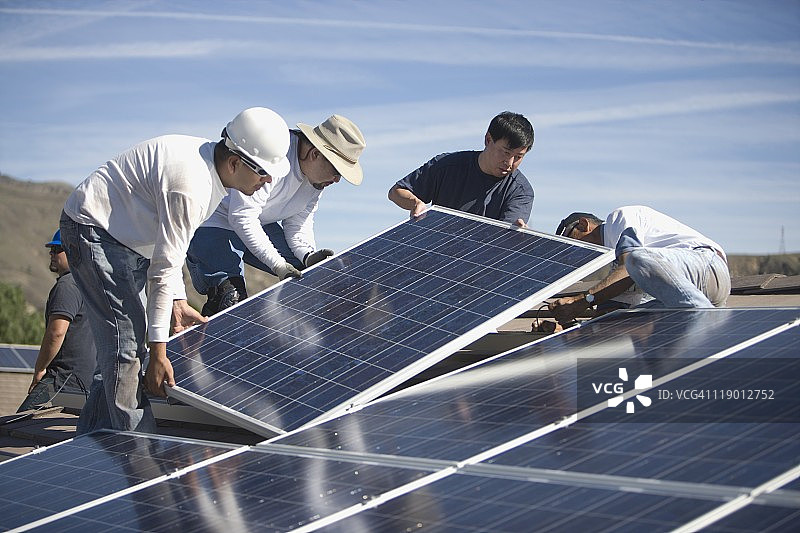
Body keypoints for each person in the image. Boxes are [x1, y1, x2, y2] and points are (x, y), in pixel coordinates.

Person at [59, 107, 291, 434]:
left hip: (130, 241)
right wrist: (158, 353)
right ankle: (141, 465)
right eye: (263, 172)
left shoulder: (212, 176)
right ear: (236, 162)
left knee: (123, 348)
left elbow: (171, 249)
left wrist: (178, 303)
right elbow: (164, 269)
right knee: (129, 352)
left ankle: (92, 444)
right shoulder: (191, 184)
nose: (267, 181)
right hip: (93, 231)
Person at [186, 114, 366, 315]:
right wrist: (278, 265)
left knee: (315, 274)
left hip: (257, 224)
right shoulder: (274, 151)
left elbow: (298, 225)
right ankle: (209, 342)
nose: (337, 179)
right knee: (229, 300)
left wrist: (308, 256)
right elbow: (242, 216)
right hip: (214, 220)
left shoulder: (316, 180)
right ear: (315, 154)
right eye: (337, 170)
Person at [549, 205, 731, 325]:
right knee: (624, 320)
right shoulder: (616, 263)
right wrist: (565, 328)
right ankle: (702, 318)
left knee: (636, 258)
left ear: (583, 225)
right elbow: (607, 315)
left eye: (570, 242)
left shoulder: (618, 219)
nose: (573, 252)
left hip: (707, 265)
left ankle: (701, 316)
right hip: (695, 293)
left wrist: (582, 300)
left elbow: (627, 269)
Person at [388, 111, 534, 226]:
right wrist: (415, 203)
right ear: (488, 140)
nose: (509, 162)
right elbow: (396, 192)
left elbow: (505, 238)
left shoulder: (521, 191)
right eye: (506, 152)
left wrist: (518, 235)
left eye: (518, 157)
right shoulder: (446, 166)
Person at [17, 230, 95, 412]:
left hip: (62, 379)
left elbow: (56, 332)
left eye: (58, 248)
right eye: (51, 248)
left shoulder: (67, 285)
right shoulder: (91, 286)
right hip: (86, 383)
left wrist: (40, 370)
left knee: (15, 430)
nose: (52, 253)